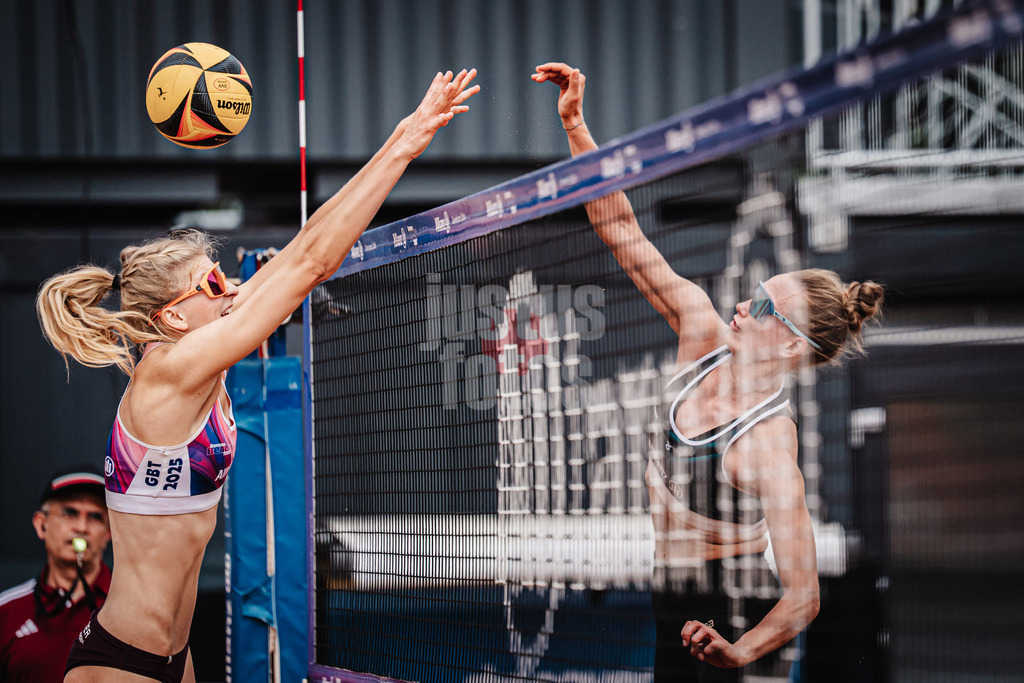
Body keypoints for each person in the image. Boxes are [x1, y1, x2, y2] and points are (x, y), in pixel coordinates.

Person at [35, 68, 479, 683]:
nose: (230, 288)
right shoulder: (171, 368)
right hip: (120, 662)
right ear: (172, 316)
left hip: (173, 657)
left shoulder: (195, 345)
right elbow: (312, 261)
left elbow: (307, 252)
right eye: (212, 283)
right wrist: (406, 143)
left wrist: (401, 137)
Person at [532, 63, 883, 680]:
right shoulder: (699, 328)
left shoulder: (769, 446)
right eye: (757, 291)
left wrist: (741, 650)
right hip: (668, 602)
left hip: (720, 624)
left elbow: (804, 594)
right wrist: (577, 125)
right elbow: (618, 225)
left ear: (792, 348)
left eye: (767, 308)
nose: (745, 304)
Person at [0, 465, 112, 683]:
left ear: (108, 533)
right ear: (42, 525)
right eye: (69, 513)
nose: (82, 527)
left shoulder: (132, 607)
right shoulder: (6, 612)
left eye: (95, 516)